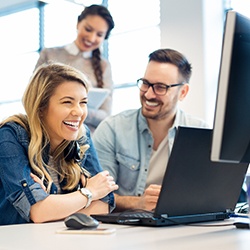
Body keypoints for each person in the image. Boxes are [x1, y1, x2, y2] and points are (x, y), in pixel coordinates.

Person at [0, 63, 118, 225]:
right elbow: (39, 212)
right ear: (41, 107)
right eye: (67, 102)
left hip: (58, 239)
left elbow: (103, 204)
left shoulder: (81, 136)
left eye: (83, 102)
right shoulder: (10, 135)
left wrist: (51, 205)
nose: (78, 112)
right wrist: (89, 192)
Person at [92, 48, 209, 212]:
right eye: (145, 83)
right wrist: (138, 203)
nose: (148, 94)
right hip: (125, 230)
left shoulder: (201, 133)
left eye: (160, 87)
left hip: (181, 227)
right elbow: (98, 196)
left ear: (183, 92)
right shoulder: (111, 129)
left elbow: (210, 195)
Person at [34, 4, 115, 133]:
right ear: (78, 24)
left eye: (99, 35)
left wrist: (73, 110)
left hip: (86, 139)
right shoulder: (49, 55)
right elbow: (34, 97)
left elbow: (105, 115)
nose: (92, 38)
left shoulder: (104, 66)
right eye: (88, 29)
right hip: (49, 134)